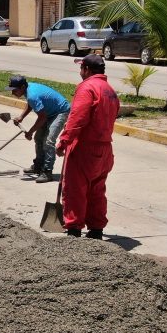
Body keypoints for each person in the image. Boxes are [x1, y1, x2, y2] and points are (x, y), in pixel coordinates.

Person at [55, 54, 120, 240]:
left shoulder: (87, 87)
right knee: (97, 190)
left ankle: (74, 228)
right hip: (105, 149)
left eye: (81, 68)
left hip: (84, 148)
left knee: (75, 189)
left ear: (87, 70)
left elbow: (77, 118)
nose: (80, 71)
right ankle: (96, 229)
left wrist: (64, 141)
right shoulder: (109, 90)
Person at [6, 75, 71, 183]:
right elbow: (31, 104)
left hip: (60, 112)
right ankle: (38, 165)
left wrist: (30, 132)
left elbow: (42, 117)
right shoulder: (28, 89)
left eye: (14, 90)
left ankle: (47, 171)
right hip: (48, 112)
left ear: (22, 87)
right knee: (38, 138)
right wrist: (21, 116)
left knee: (48, 141)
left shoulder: (32, 94)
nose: (12, 93)